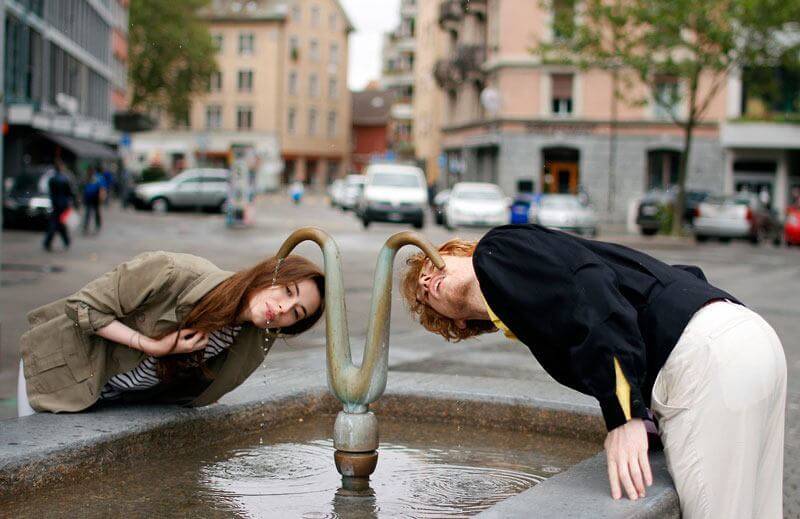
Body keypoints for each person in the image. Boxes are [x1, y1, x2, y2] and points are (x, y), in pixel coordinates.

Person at [401, 225, 786, 519]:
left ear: (459, 253)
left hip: (708, 356)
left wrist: (625, 416)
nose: (424, 281)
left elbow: (591, 288)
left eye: (431, 264)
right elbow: (667, 277)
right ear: (457, 325)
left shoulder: (495, 253)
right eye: (423, 297)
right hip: (745, 337)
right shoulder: (525, 303)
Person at [18, 252, 325, 416]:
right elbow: (83, 306)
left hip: (106, 400)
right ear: (270, 274)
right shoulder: (173, 272)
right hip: (57, 374)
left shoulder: (243, 338)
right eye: (288, 290)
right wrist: (152, 346)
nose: (284, 307)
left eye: (296, 313)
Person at [42, 162, 76, 252]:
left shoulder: (52, 179)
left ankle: (50, 242)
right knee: (58, 223)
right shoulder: (64, 179)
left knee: (57, 223)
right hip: (63, 204)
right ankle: (63, 241)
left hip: (55, 203)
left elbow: (50, 191)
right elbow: (69, 192)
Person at [82, 166, 105, 234]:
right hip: (88, 197)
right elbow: (84, 188)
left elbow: (102, 188)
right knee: (88, 212)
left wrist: (101, 197)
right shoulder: (87, 178)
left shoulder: (98, 177)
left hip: (95, 197)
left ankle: (98, 225)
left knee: (96, 212)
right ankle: (86, 226)